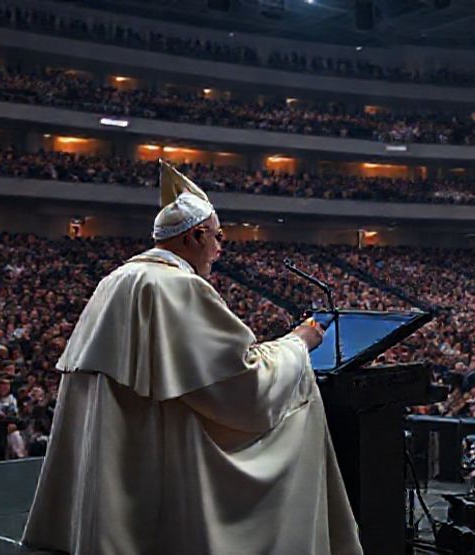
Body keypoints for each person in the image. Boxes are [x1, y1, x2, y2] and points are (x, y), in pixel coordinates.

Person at [22, 160, 362, 555]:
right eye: (217, 237)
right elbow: (242, 387)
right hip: (156, 468)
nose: (219, 249)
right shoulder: (176, 286)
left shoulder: (117, 279)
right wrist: (298, 344)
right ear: (196, 236)